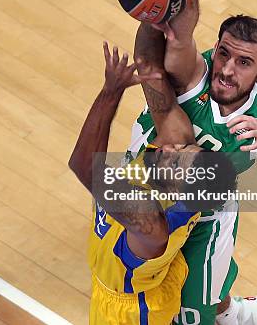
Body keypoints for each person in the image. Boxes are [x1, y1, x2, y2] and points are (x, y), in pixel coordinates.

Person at [126, 0, 257, 325]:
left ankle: (231, 311)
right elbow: (178, 32)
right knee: (139, 290)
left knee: (193, 313)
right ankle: (235, 312)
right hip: (146, 185)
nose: (226, 69)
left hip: (208, 210)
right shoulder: (191, 70)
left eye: (244, 62)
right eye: (224, 53)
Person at [69, 38, 237, 324]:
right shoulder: (170, 159)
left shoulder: (149, 221)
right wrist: (161, 14)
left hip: (131, 314)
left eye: (175, 162)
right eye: (184, 149)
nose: (170, 148)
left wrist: (111, 92)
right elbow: (148, 63)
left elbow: (83, 166)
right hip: (144, 284)